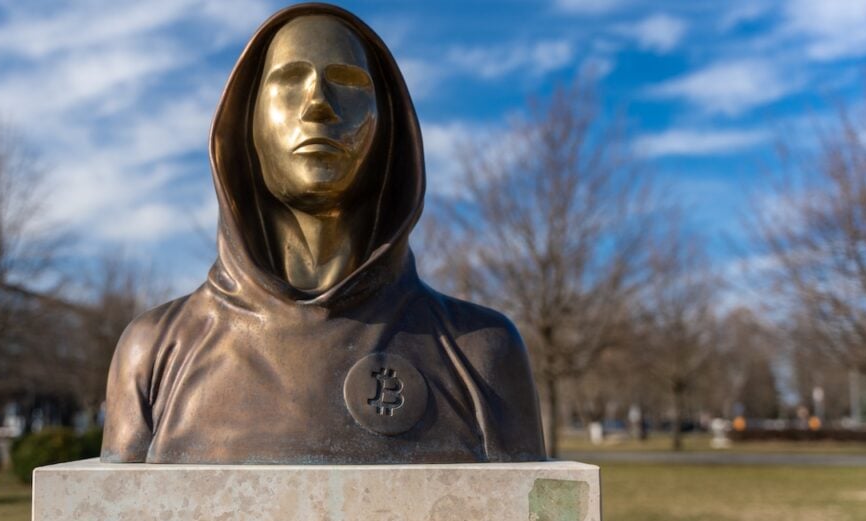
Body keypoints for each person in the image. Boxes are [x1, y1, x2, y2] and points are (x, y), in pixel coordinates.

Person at [102, 3, 544, 463]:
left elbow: (538, 506)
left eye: (349, 83)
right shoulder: (156, 350)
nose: (319, 105)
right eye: (290, 81)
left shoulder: (479, 351)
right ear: (246, 125)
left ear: (389, 132)